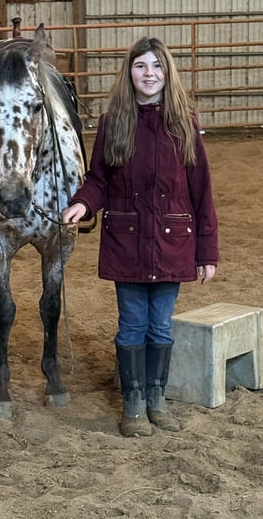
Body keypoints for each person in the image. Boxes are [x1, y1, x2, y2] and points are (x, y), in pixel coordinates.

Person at [62, 36, 219, 437]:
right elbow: (98, 179)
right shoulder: (114, 122)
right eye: (141, 66)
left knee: (161, 326)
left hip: (172, 243)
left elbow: (201, 190)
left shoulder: (184, 124)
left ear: (168, 72)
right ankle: (133, 404)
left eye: (157, 66)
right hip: (126, 244)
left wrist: (207, 252)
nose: (149, 74)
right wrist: (83, 204)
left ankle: (156, 400)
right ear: (129, 73)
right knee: (132, 324)